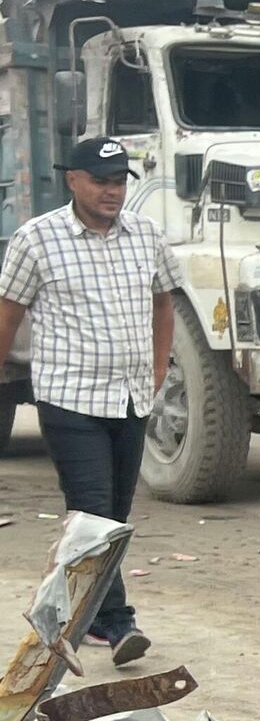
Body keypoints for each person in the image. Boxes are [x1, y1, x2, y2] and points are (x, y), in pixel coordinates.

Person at [0, 136, 179, 666]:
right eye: (101, 180)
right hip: (70, 399)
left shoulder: (145, 235)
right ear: (73, 180)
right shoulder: (37, 239)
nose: (111, 191)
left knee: (113, 517)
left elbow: (163, 301)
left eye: (119, 180)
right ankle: (114, 623)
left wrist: (160, 364)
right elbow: (8, 312)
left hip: (129, 397)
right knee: (94, 513)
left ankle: (80, 617)